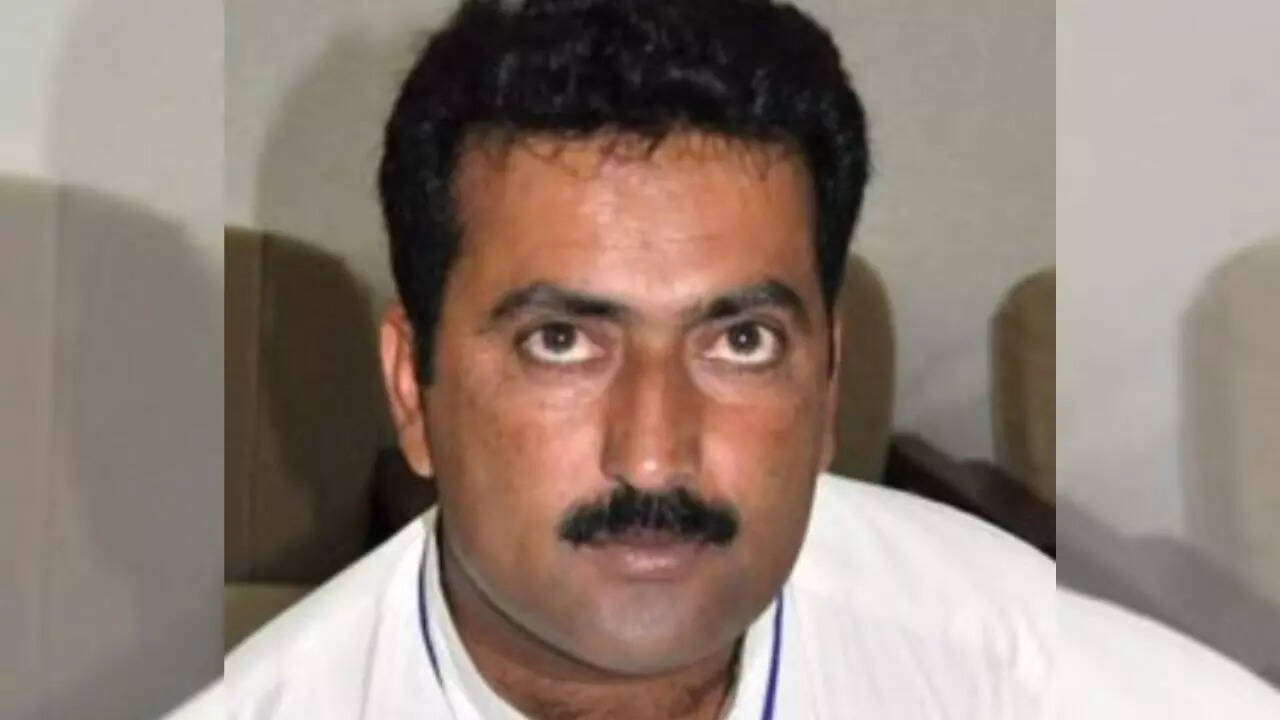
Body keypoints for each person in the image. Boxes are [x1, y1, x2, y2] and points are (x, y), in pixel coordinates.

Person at [206, 1, 1278, 718]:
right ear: (412, 387)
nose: (654, 456)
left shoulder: (1015, 676)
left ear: (827, 385)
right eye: (561, 342)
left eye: (740, 341)